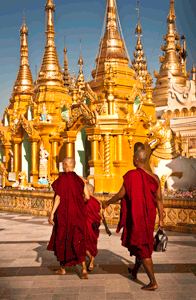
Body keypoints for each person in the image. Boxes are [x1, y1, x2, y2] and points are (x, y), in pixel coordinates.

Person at [103, 149, 164, 290]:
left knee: (143, 249)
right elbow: (159, 199)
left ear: (136, 159)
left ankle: (153, 282)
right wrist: (161, 219)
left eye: (133, 157)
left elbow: (120, 195)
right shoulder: (154, 177)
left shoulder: (131, 175)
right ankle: (135, 271)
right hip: (149, 218)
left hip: (137, 218)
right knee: (140, 243)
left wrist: (107, 202)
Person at [47, 157, 90, 279]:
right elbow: (87, 197)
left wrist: (51, 214)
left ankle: (63, 269)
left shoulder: (62, 179)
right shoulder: (80, 180)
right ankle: (84, 269)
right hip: (78, 215)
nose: (63, 167)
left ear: (66, 165)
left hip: (64, 215)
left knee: (62, 239)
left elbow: (58, 197)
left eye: (64, 165)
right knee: (79, 239)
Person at [85, 183, 103, 271]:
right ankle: (91, 257)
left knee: (82, 244)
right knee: (92, 243)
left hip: (87, 225)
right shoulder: (98, 202)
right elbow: (101, 216)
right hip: (94, 226)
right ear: (93, 191)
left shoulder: (86, 200)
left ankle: (91, 258)